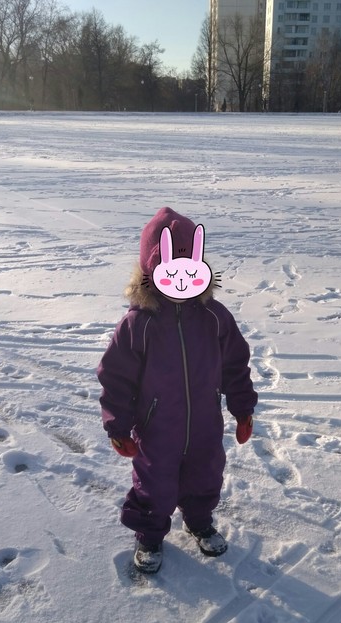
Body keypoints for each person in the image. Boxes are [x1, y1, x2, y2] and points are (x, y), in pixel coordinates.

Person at [97, 207, 257, 573]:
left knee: (206, 473)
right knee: (154, 482)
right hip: (157, 425)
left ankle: (199, 520)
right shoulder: (139, 323)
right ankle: (150, 534)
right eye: (171, 267)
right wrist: (117, 425)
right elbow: (116, 377)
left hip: (204, 422)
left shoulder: (214, 317)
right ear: (151, 270)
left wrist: (243, 407)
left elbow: (235, 363)